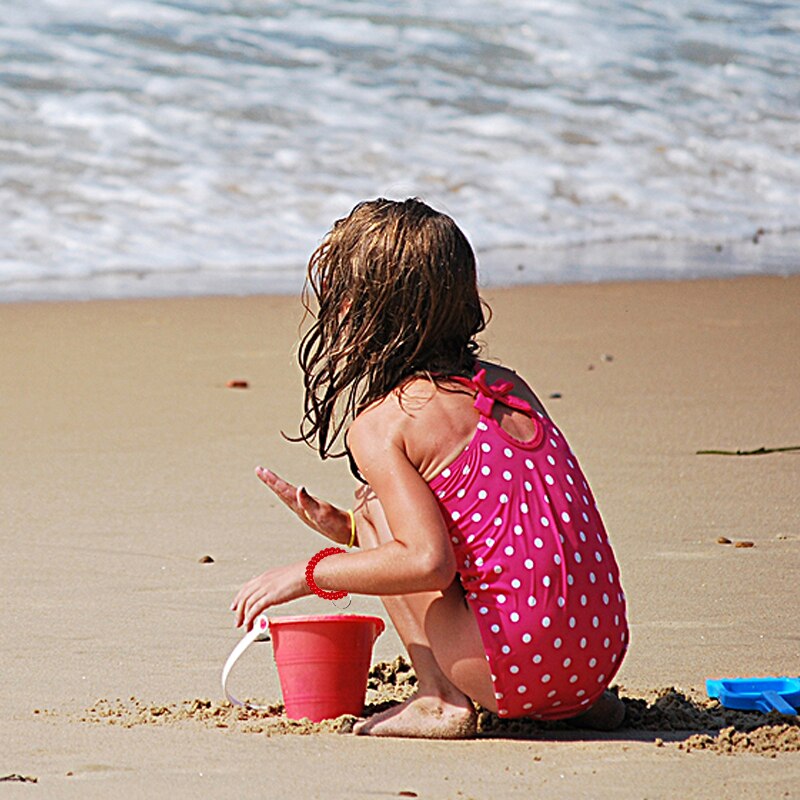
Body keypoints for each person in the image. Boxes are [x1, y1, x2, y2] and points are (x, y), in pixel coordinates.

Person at [231, 198, 628, 738]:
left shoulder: (382, 425)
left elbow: (428, 563)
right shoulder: (508, 385)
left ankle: (441, 698)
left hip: (514, 668)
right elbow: (509, 527)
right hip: (598, 654)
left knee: (374, 505)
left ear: (360, 311)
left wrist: (304, 574)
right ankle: (575, 702)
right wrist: (350, 533)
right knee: (370, 517)